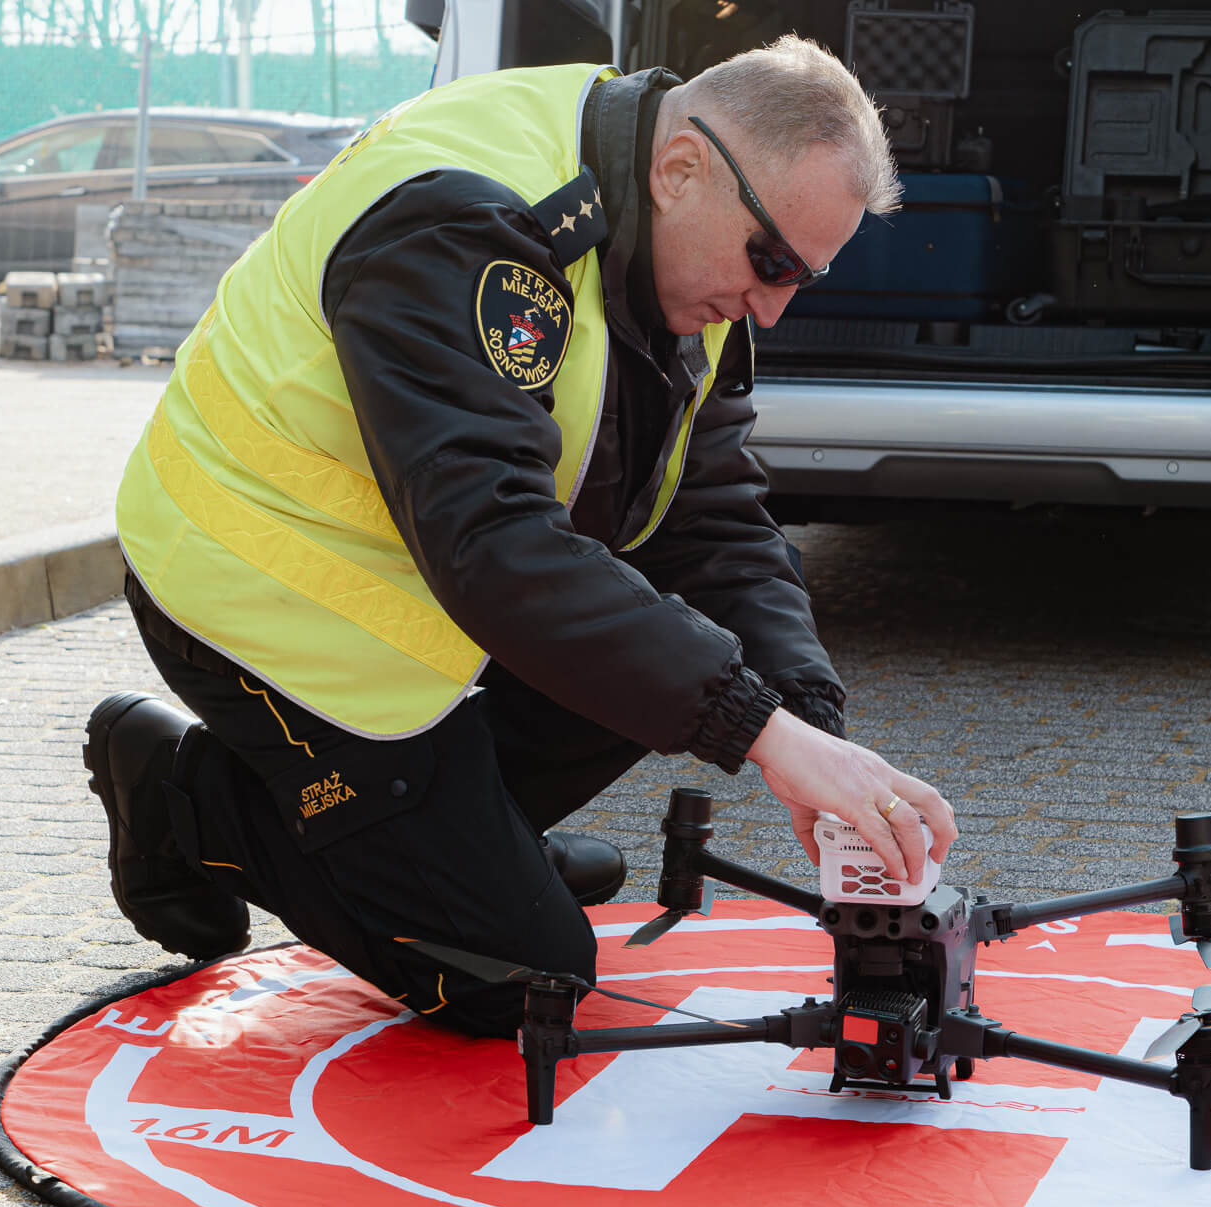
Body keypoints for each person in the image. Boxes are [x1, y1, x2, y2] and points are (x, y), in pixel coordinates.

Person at [84, 35, 957, 1038]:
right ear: (680, 170)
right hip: (254, 588)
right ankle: (184, 797)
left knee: (674, 660)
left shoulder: (688, 243)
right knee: (520, 976)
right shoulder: (464, 220)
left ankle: (451, 841)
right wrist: (758, 731)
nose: (774, 305)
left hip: (415, 589)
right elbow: (492, 542)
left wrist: (811, 727)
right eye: (770, 264)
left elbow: (710, 521)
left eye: (804, 277)